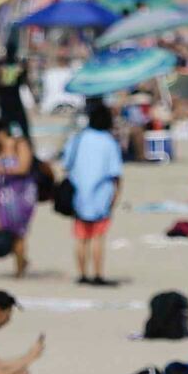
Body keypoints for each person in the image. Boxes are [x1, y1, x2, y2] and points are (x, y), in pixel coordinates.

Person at [61, 98, 124, 286]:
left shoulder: (78, 138)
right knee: (97, 237)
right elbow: (115, 174)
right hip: (101, 197)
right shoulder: (109, 142)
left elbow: (66, 164)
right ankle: (97, 274)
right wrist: (116, 196)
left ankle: (82, 274)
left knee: (80, 238)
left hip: (78, 195)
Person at [0, 130, 37, 278]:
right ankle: (21, 261)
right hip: (2, 198)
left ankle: (19, 270)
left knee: (18, 233)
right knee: (5, 231)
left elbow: (24, 168)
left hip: (21, 196)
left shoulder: (20, 144)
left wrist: (3, 170)